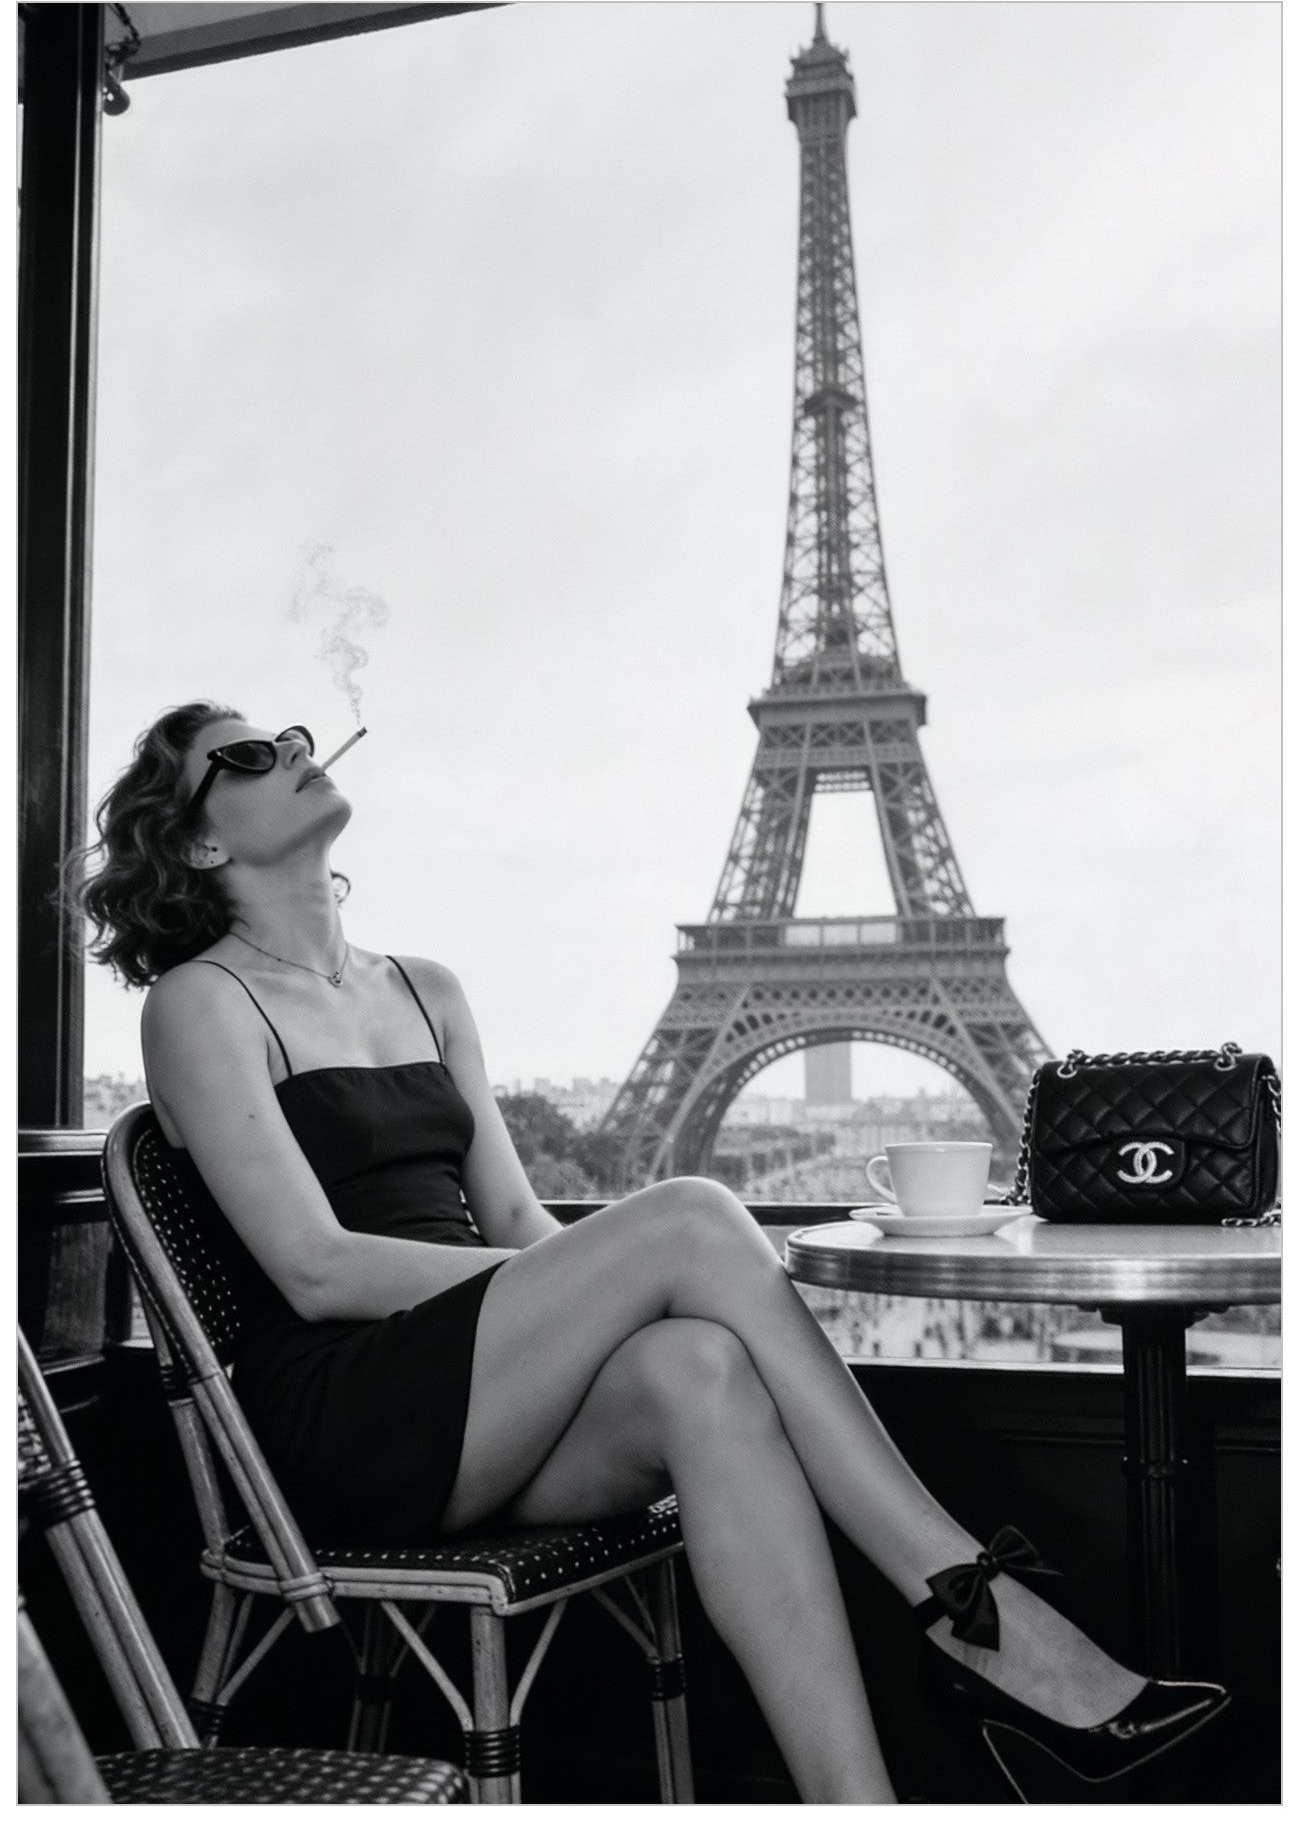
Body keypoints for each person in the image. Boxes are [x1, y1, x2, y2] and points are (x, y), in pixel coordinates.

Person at [70, 700, 1229, 1804]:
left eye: (291, 736)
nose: (290, 749)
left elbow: (523, 1225)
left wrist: (589, 1280)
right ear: (200, 844)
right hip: (346, 1412)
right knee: (686, 1217)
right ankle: (976, 1606)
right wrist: (601, 1274)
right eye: (245, 756)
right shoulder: (199, 1004)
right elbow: (315, 1267)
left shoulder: (425, 989)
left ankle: (856, 1806)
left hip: (481, 1387)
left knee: (701, 1371)